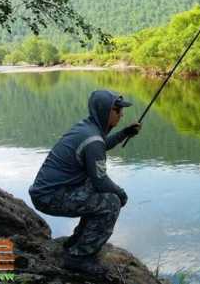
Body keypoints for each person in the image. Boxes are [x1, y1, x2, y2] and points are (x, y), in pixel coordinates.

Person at [29, 90, 141, 275]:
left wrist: (125, 133)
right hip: (49, 197)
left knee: (97, 192)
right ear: (105, 111)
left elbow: (101, 145)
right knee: (111, 203)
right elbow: (101, 181)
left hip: (47, 192)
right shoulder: (92, 139)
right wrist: (121, 194)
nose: (121, 114)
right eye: (117, 110)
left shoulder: (86, 128)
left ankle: (77, 240)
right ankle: (78, 258)